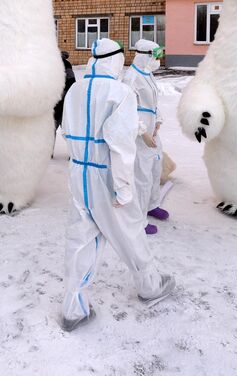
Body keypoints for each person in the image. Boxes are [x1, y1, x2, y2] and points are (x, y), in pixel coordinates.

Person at [60, 38, 175, 332]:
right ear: (115, 61)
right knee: (130, 231)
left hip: (78, 173)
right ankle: (150, 285)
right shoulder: (120, 92)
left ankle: (74, 307)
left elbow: (68, 128)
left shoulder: (75, 89)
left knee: (80, 239)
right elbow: (121, 146)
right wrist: (124, 189)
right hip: (107, 174)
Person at [123, 39, 169, 235]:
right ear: (144, 55)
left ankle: (152, 204)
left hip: (152, 131)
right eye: (155, 55)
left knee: (155, 168)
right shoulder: (131, 78)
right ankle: (138, 220)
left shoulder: (148, 74)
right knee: (141, 175)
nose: (158, 59)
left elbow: (154, 104)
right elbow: (127, 111)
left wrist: (157, 121)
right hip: (139, 134)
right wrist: (143, 133)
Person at [53, 50, 77, 133]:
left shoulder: (51, 63)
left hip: (52, 97)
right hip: (63, 96)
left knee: (52, 126)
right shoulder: (66, 63)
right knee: (67, 125)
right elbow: (71, 79)